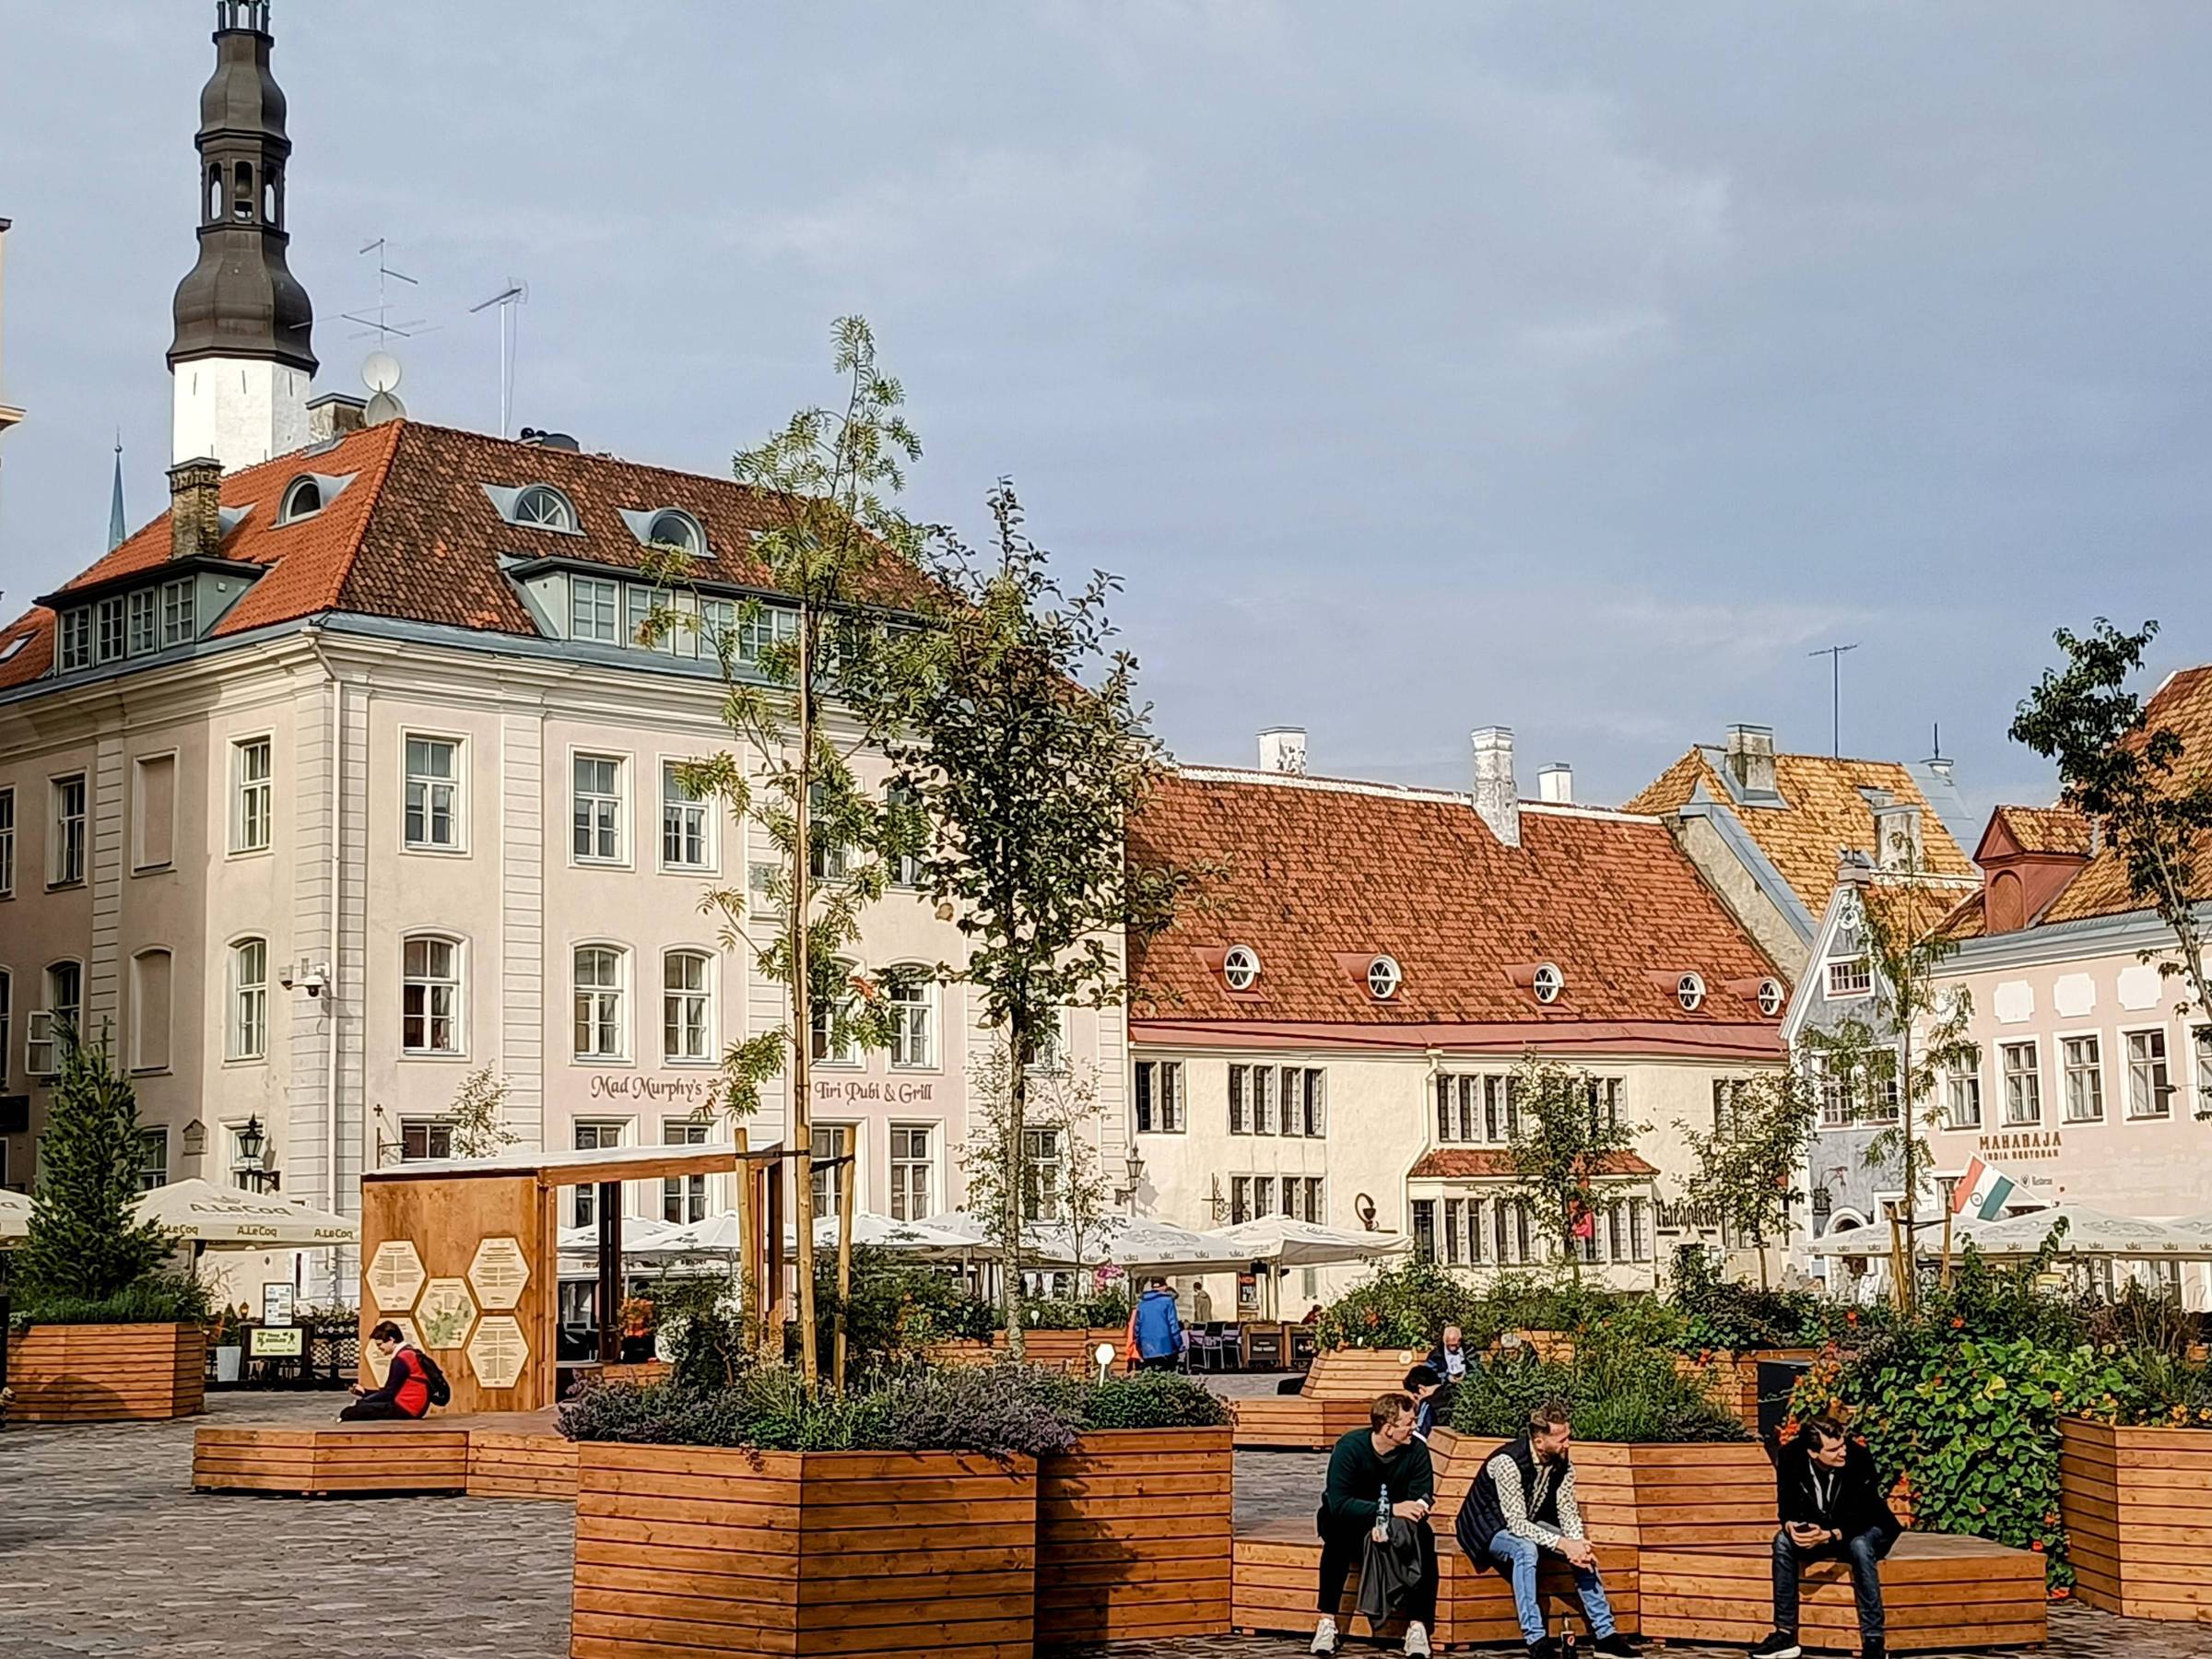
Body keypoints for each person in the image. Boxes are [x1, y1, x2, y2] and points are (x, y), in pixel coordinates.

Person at [1456, 1399, 1640, 1659]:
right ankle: (1536, 1639)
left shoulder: (1562, 1462)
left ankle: (1606, 1636)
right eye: (1562, 1439)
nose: (1568, 1444)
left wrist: (1575, 1545)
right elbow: (1516, 1524)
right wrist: (1563, 1544)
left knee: (1583, 1551)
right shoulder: (1508, 1462)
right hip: (1487, 1527)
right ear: (1539, 1441)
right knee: (1525, 1549)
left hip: (1527, 1519)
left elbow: (1567, 1509)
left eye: (1568, 1436)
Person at [1752, 1417, 1901, 1659]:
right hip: (1824, 1529)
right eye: (1833, 1450)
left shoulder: (1858, 1457)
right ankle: (1784, 1634)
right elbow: (1786, 1504)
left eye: (1842, 1444)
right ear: (1813, 1452)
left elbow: (1865, 1512)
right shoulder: (1790, 1456)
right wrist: (1793, 1527)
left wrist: (1831, 1535)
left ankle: (1874, 1640)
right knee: (1781, 1541)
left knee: (1860, 1546)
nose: (1842, 1452)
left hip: (1868, 1526)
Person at [1313, 1392, 1437, 1657]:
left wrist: (1405, 1514)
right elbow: (1340, 1503)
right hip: (1352, 1518)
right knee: (1336, 1538)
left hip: (1399, 1521)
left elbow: (1422, 1494)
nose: (1414, 1427)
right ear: (1388, 1428)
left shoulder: (1417, 1450)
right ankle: (1326, 1621)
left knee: (1425, 1539)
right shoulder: (1350, 1447)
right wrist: (1388, 1510)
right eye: (1409, 1422)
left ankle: (1417, 1626)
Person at [341, 1322, 432, 1421]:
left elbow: (389, 1393)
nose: (379, 1348)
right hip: (409, 1406)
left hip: (406, 1408)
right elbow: (391, 1391)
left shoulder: (402, 1359)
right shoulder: (409, 1353)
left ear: (391, 1340)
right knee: (360, 1407)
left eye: (380, 1344)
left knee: (349, 1412)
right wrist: (365, 1392)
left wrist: (362, 1401)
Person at [1133, 1277, 1184, 1371]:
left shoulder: (1142, 1303)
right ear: (1164, 1286)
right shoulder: (1167, 1301)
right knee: (1166, 1374)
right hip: (1165, 1345)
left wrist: (1138, 1343)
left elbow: (1137, 1326)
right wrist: (1179, 1344)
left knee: (1149, 1374)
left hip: (1146, 1345)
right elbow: (1173, 1324)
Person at [1401, 1363, 1443, 1438]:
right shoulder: (1449, 1395)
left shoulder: (1428, 1404)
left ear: (1421, 1390)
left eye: (1414, 1398)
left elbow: (1420, 1435)